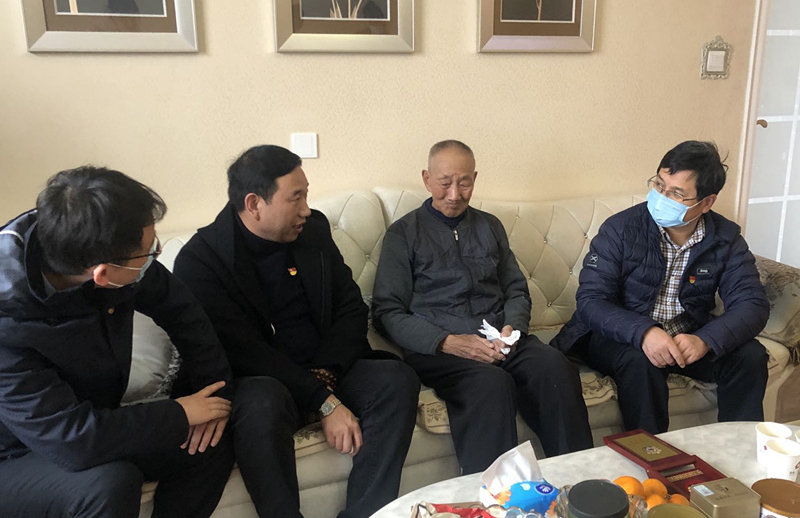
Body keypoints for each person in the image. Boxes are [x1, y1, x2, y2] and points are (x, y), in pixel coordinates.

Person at [173, 145, 420, 518]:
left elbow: (351, 307)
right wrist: (323, 400)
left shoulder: (313, 230)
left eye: (306, 195)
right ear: (254, 204)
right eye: (296, 198)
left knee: (395, 379)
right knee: (262, 402)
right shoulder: (202, 260)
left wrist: (326, 378)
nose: (306, 209)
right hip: (265, 380)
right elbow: (243, 351)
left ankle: (368, 514)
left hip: (327, 368)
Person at [0, 166, 235, 518]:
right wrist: (177, 413)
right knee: (108, 483)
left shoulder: (96, 242)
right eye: (149, 251)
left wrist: (212, 393)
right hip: (15, 453)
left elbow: (183, 312)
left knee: (210, 440)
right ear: (103, 274)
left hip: (88, 425)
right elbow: (72, 440)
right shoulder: (8, 323)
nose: (155, 252)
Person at [372, 140, 593, 474]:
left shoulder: (489, 226)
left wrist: (512, 329)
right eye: (445, 183)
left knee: (554, 367)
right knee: (491, 384)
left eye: (464, 183)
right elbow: (387, 312)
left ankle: (579, 481)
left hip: (500, 339)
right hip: (441, 348)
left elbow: (516, 289)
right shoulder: (403, 233)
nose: (454, 194)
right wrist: (449, 342)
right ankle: (493, 494)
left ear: (474, 179)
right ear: (427, 179)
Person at [551, 141, 770, 434]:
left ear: (707, 203)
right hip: (617, 336)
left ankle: (738, 446)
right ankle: (652, 454)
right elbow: (592, 300)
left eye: (676, 194)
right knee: (641, 361)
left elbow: (752, 304)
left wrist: (705, 340)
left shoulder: (725, 239)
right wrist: (645, 333)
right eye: (659, 185)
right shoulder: (621, 229)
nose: (661, 198)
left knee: (750, 356)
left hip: (685, 337)